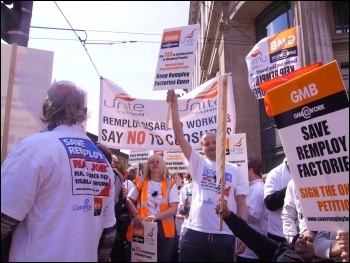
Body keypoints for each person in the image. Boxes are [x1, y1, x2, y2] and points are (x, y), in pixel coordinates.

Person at [1, 81, 116, 262]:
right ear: (84, 114)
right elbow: (108, 235)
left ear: (46, 110)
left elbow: (4, 218)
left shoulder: (32, 149)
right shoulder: (101, 160)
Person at [166, 89, 249, 262]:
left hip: (224, 234)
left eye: (214, 142)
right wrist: (174, 108)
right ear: (202, 148)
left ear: (221, 144)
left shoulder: (236, 170)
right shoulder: (199, 163)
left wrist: (243, 232)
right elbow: (180, 137)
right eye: (206, 144)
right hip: (194, 233)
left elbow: (241, 203)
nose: (211, 146)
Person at [215, 201, 333, 262]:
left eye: (309, 240)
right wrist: (229, 216)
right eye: (301, 236)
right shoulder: (280, 250)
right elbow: (251, 236)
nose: (302, 240)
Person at [126, 154, 179, 262]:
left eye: (158, 162)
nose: (155, 163)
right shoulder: (141, 181)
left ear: (163, 166)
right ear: (148, 166)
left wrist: (155, 216)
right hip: (143, 225)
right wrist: (136, 215)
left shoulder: (170, 184)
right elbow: (129, 200)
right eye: (152, 162)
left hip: (164, 230)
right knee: (142, 258)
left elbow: (174, 208)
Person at [237, 157, 267, 262]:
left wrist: (237, 207)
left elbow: (254, 216)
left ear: (251, 170)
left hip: (250, 248)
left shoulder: (258, 188)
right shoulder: (253, 187)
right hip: (247, 244)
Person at [264, 157, 292, 242]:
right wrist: (294, 186)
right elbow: (270, 203)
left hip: (307, 234)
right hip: (280, 235)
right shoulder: (275, 174)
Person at [282, 179, 307, 244]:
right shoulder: (293, 183)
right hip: (302, 244)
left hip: (329, 247)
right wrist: (293, 240)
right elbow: (288, 216)